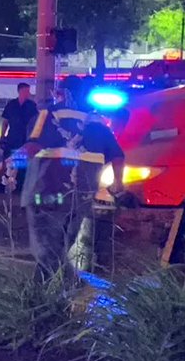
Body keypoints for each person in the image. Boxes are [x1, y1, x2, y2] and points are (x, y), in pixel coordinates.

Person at [19, 79, 126, 281]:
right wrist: (117, 183)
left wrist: (2, 168)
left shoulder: (47, 116)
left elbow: (30, 149)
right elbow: (118, 157)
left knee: (48, 255)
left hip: (47, 196)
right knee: (62, 252)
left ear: (59, 93)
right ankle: (54, 299)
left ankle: (43, 302)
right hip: (81, 199)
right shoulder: (97, 122)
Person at [0, 83, 39, 193]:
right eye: (26, 91)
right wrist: (2, 136)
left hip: (25, 138)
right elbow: (5, 122)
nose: (28, 93)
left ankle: (20, 186)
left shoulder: (31, 106)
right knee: (6, 162)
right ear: (20, 91)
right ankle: (2, 185)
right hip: (12, 137)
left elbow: (36, 122)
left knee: (23, 163)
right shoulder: (11, 105)